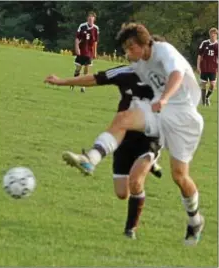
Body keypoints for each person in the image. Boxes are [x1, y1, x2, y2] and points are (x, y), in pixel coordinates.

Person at [51, 23, 205, 245]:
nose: (128, 52)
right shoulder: (137, 64)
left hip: (184, 119)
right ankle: (90, 159)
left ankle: (195, 219)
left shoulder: (164, 51)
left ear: (145, 43)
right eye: (125, 48)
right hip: (159, 112)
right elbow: (99, 78)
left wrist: (165, 97)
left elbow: (176, 74)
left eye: (131, 47)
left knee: (180, 177)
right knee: (123, 118)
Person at [44, 65, 163, 239]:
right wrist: (61, 81)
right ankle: (144, 164)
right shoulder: (125, 71)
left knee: (136, 181)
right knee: (122, 193)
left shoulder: (166, 76)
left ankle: (130, 230)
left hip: (150, 139)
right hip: (122, 135)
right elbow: (94, 78)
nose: (129, 53)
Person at [71, 11, 99, 93]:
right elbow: (77, 38)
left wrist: (95, 52)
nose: (90, 19)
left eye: (92, 18)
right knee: (78, 68)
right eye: (89, 18)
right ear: (87, 19)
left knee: (87, 68)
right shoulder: (82, 26)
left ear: (94, 19)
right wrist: (77, 48)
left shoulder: (96, 29)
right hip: (81, 51)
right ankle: (73, 82)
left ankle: (83, 86)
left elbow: (95, 42)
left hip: (89, 52)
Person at [197, 27, 218, 106]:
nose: (212, 35)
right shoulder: (204, 43)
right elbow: (199, 56)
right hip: (204, 67)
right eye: (211, 34)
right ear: (209, 34)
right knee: (204, 84)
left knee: (212, 84)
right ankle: (203, 102)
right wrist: (198, 66)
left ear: (216, 35)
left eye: (214, 34)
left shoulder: (217, 45)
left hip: (213, 68)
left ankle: (207, 97)